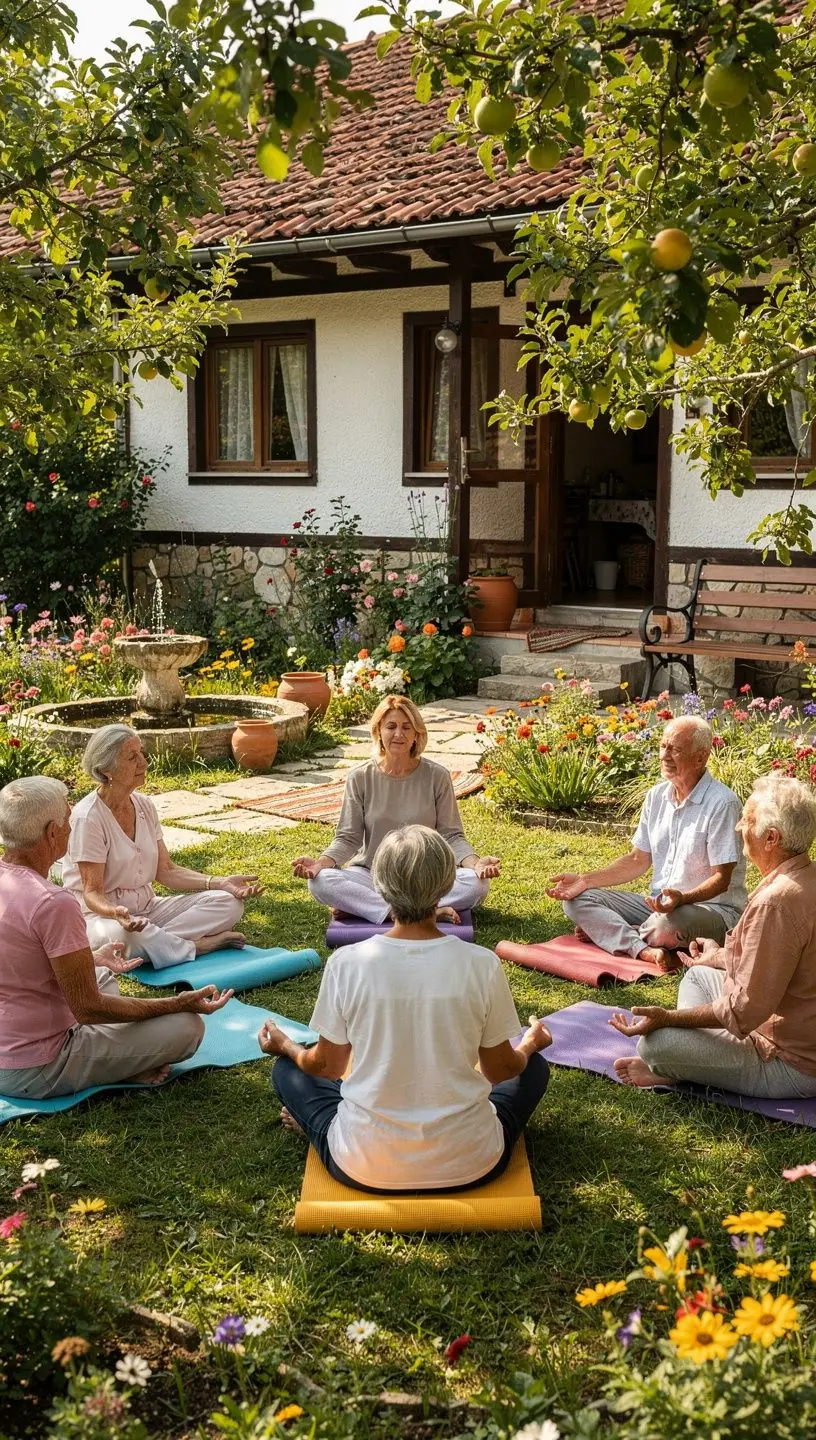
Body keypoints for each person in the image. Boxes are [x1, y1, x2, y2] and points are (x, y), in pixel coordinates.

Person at [260, 824, 551, 1192]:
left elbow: (326, 1067)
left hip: (363, 1163)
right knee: (534, 1068)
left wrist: (285, 1046)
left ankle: (320, 1128)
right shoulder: (481, 963)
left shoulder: (347, 963)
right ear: (447, 887)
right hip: (473, 1162)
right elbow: (500, 1070)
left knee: (289, 1072)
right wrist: (529, 1045)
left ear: (378, 886)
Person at [0, 777, 234, 1099]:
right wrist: (173, 1004)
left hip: (10, 1042)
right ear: (53, 832)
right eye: (68, 821)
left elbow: (18, 959)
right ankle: (125, 1066)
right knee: (187, 1027)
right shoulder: (53, 903)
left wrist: (90, 958)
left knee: (102, 975)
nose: (72, 826)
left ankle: (120, 1054)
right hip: (37, 1066)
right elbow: (89, 1009)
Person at [609, 775, 816, 1099]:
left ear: (772, 838)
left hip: (792, 1063)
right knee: (699, 977)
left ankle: (679, 1069)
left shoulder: (776, 902)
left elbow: (744, 1011)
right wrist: (719, 955)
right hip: (786, 1029)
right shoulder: (805, 876)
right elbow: (780, 964)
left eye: (747, 820)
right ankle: (697, 1061)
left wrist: (668, 1018)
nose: (739, 828)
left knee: (655, 1044)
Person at [546, 716, 746, 968]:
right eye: (663, 746)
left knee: (665, 926)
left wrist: (682, 899)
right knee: (577, 900)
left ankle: (617, 933)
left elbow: (722, 879)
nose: (665, 755)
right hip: (658, 907)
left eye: (675, 749)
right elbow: (637, 860)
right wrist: (585, 880)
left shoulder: (722, 803)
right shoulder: (656, 796)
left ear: (700, 757)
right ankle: (642, 948)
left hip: (709, 910)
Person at [63, 724, 263, 969]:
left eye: (142, 753)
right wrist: (117, 913)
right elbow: (91, 893)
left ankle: (159, 943)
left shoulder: (144, 805)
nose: (144, 763)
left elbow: (166, 871)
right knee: (124, 937)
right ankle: (199, 946)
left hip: (148, 909)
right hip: (102, 918)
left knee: (228, 902)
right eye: (132, 757)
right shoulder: (88, 818)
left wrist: (220, 882)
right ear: (106, 770)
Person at [293, 695, 499, 925]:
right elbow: (347, 838)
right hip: (372, 876)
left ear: (416, 734)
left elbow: (452, 836)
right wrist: (320, 864)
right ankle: (416, 912)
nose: (398, 734)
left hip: (424, 878)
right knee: (320, 882)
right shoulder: (360, 777)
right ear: (378, 731)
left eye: (406, 727)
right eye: (391, 726)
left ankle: (372, 908)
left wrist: (476, 864)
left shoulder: (437, 776)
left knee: (477, 884)